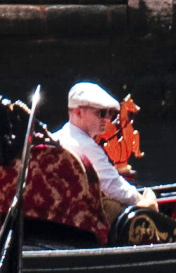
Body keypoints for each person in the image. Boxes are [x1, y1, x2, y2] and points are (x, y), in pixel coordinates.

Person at [54, 81, 156, 214]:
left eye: (110, 113)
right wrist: (144, 201)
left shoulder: (58, 137)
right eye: (101, 113)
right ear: (79, 112)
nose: (107, 119)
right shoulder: (86, 146)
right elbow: (113, 186)